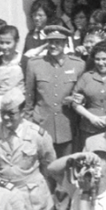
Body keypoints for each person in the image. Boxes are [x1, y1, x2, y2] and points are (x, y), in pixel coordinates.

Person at [25, 24, 86, 156]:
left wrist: (76, 99)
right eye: (50, 42)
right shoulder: (35, 64)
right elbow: (29, 98)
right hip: (41, 125)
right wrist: (28, 125)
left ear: (65, 43)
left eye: (57, 42)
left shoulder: (78, 64)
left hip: (67, 126)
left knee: (66, 166)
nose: (53, 46)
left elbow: (82, 94)